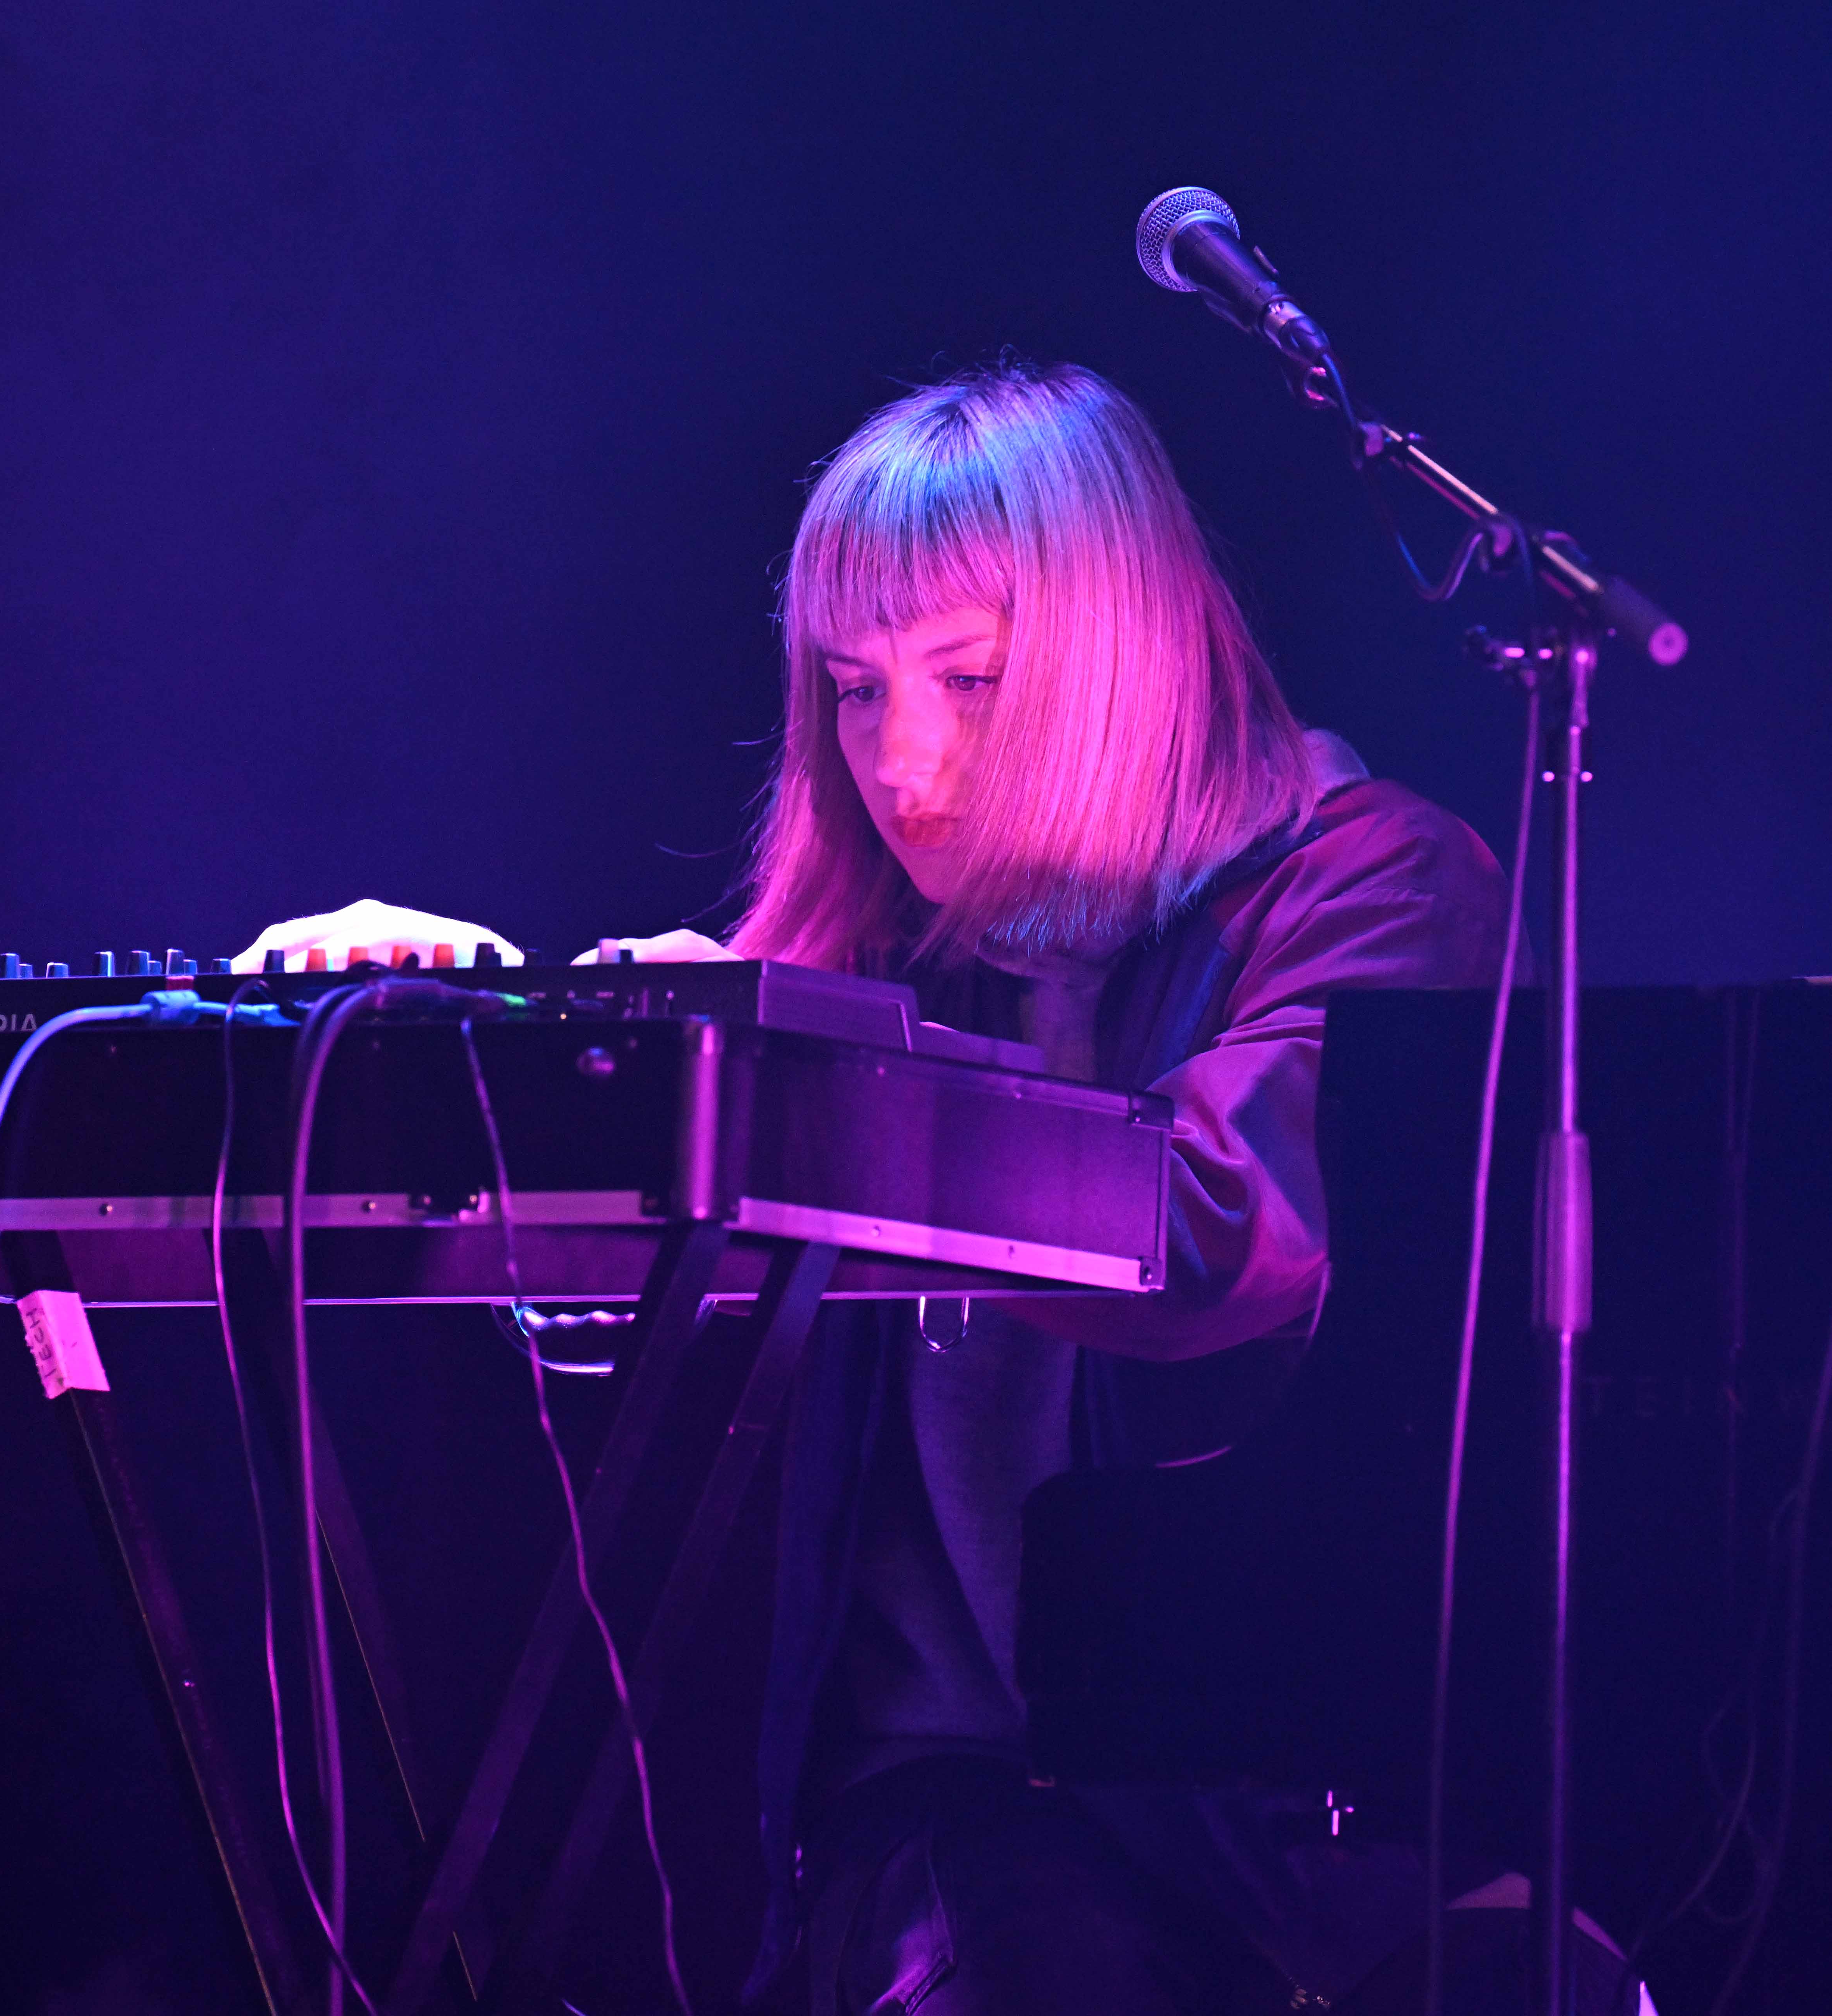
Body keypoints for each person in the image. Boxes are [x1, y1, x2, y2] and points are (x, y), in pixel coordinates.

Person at [243, 364, 1619, 2012]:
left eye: (968, 677)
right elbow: (646, 1302)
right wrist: (476, 1044)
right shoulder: (875, 956)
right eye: (852, 686)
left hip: (1298, 1819)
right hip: (949, 1817)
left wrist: (807, 1096)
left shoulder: (1375, 880)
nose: (899, 760)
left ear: (1123, 661)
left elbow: (1225, 1228)